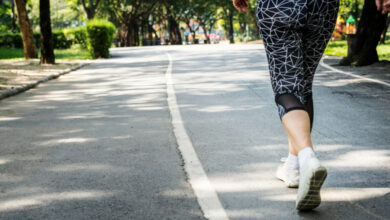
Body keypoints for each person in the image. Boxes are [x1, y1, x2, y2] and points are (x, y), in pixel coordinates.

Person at [233, 0, 389, 211]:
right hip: (323, 6)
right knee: (304, 85)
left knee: (287, 87)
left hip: (279, 6)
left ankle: (307, 158)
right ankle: (293, 165)